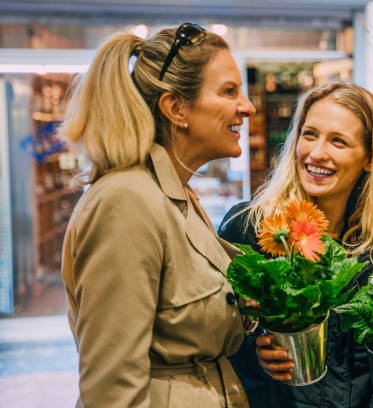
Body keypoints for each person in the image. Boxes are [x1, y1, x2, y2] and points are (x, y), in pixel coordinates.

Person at [59, 23, 256, 407]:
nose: (246, 107)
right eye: (229, 91)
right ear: (176, 108)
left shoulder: (174, 194)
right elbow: (112, 393)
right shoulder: (126, 201)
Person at [218, 82, 373, 408]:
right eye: (309, 134)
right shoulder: (249, 227)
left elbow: (371, 379)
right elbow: (214, 340)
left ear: (369, 158)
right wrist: (257, 353)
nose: (317, 152)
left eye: (338, 141)